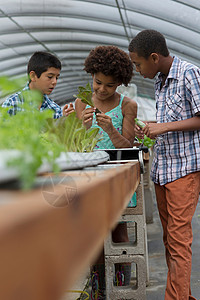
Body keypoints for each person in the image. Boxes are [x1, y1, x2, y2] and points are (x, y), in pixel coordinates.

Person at [128, 29, 200, 300]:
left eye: (138, 63)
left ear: (154, 57)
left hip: (184, 170)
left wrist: (163, 127)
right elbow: (168, 125)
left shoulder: (189, 73)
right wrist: (149, 129)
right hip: (163, 171)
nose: (137, 69)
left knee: (179, 241)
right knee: (171, 242)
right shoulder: (160, 80)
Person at [75, 45, 137, 299]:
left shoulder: (127, 105)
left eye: (109, 85)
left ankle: (121, 284)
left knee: (118, 230)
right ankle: (98, 288)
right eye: (98, 82)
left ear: (119, 84)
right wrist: (83, 126)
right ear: (91, 76)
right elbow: (78, 147)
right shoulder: (82, 102)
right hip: (92, 178)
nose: (101, 89)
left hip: (119, 176)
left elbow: (129, 146)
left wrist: (111, 130)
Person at [2, 51, 74, 118]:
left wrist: (64, 121)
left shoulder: (55, 109)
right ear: (33, 76)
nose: (54, 82)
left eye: (57, 78)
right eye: (50, 77)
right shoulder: (13, 103)